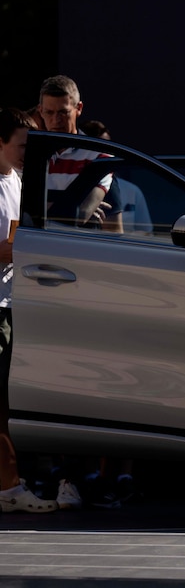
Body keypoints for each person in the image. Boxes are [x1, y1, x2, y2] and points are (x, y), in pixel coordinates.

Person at [0, 108, 58, 514]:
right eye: (22, 145)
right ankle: (9, 486)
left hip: (14, 303)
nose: (26, 153)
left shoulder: (18, 181)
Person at [38, 75, 122, 232]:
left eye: (63, 112)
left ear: (79, 109)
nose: (56, 120)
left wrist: (42, 209)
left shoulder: (99, 156)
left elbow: (80, 216)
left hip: (78, 251)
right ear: (40, 111)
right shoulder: (27, 154)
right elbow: (16, 208)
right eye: (49, 112)